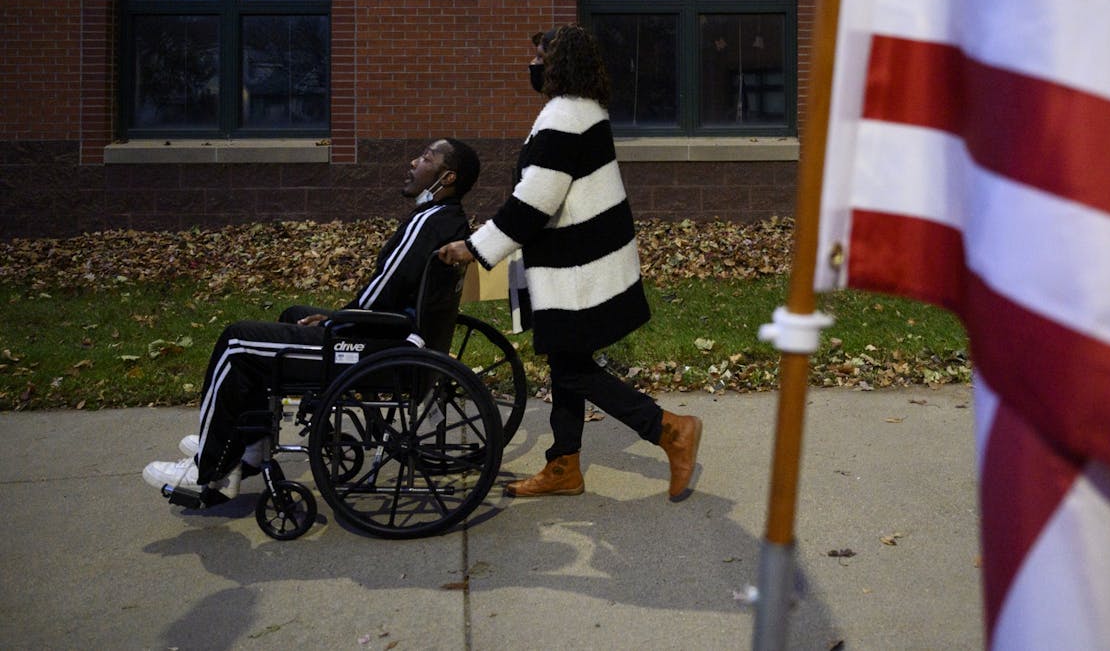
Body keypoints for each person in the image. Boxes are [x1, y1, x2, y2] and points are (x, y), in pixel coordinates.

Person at [438, 25, 703, 500]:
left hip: (577, 270)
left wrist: (473, 249)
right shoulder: (585, 111)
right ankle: (563, 466)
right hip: (584, 261)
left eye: (540, 57)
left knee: (573, 370)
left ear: (559, 64)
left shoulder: (564, 116)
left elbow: (534, 202)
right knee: (567, 362)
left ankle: (669, 430)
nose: (534, 66)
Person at [143, 138, 481, 498]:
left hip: (378, 347)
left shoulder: (428, 222)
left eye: (426, 158)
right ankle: (247, 446)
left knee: (237, 341)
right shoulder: (449, 221)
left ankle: (208, 470)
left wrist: (338, 322)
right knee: (292, 316)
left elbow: (383, 290)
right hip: (397, 337)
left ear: (446, 178)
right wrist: (336, 317)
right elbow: (390, 294)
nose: (414, 162)